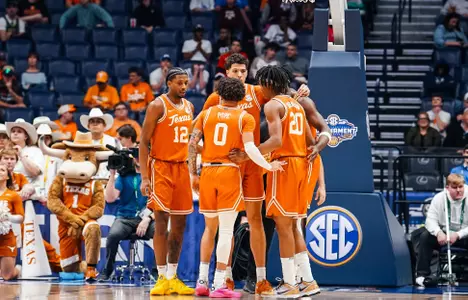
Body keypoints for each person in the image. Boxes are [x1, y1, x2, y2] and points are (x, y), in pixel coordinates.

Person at [189, 77, 283, 297]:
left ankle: (202, 281)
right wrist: (268, 165)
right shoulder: (244, 117)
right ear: (241, 98)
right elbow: (250, 150)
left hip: (207, 173)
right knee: (226, 230)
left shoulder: (205, 114)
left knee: (209, 229)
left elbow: (193, 144)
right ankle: (219, 284)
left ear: (219, 95)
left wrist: (193, 173)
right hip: (229, 172)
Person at [201, 53, 272, 294]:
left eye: (243, 71)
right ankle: (225, 276)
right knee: (224, 225)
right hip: (224, 167)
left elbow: (282, 97)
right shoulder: (214, 98)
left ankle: (259, 277)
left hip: (250, 166)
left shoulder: (257, 92)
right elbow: (202, 131)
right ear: (227, 73)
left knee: (256, 221)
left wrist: (299, 93)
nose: (240, 75)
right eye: (235, 72)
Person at [255, 65, 315, 296]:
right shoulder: (296, 106)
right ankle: (307, 280)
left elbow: (276, 141)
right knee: (293, 226)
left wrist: (250, 153)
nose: (260, 88)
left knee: (284, 227)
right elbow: (311, 140)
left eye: (261, 83)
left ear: (269, 84)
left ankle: (290, 283)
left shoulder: (273, 105)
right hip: (301, 165)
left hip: (286, 166)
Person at [139, 68, 195, 296]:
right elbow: (143, 143)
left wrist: (193, 171)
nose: (183, 87)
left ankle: (173, 276)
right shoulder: (157, 106)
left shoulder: (190, 106)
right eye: (179, 83)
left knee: (180, 225)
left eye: (186, 83)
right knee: (161, 221)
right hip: (160, 167)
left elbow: (188, 143)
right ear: (169, 83)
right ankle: (161, 276)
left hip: (182, 168)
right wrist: (144, 177)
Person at [99, 126, 155, 280]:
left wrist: (147, 219)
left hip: (147, 218)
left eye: (141, 156)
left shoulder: (153, 177)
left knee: (162, 233)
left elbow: (159, 202)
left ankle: (158, 271)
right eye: (135, 156)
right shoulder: (123, 177)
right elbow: (110, 199)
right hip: (124, 217)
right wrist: (112, 175)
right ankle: (108, 269)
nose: (138, 159)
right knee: (113, 235)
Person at [413, 174, 468, 287]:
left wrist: (458, 234)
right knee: (425, 236)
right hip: (444, 233)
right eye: (455, 187)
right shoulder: (439, 198)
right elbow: (430, 220)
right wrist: (438, 232)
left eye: (461, 187)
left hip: (464, 234)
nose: (459, 190)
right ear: (447, 188)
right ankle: (422, 276)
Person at [79, 108, 119, 179]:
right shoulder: (81, 140)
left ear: (104, 125)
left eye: (98, 121)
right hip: (85, 179)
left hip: (107, 179)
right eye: (92, 122)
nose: (95, 124)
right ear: (88, 126)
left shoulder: (113, 141)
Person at [0, 163, 24, 280]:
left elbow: (21, 218)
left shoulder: (13, 195)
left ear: (7, 176)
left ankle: (18, 269)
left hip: (6, 238)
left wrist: (6, 216)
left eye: (2, 170)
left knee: (7, 276)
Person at [6, 118, 44, 187]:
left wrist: (22, 155)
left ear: (26, 136)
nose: (15, 133)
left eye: (19, 131)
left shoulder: (35, 151)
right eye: (13, 131)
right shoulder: (4, 151)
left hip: (30, 189)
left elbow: (36, 172)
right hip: (9, 189)